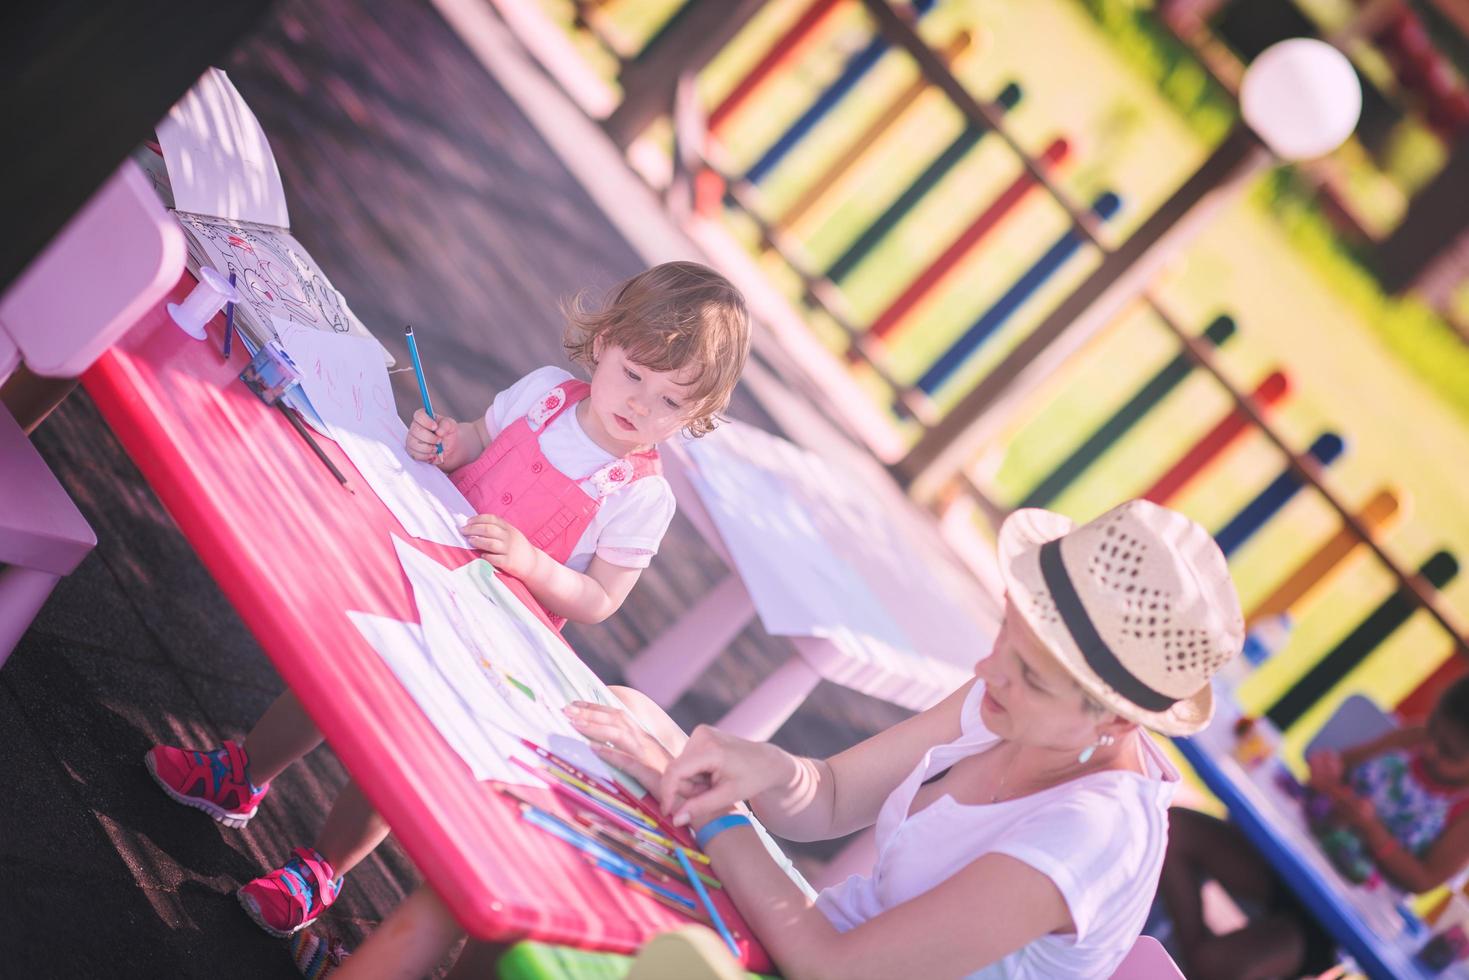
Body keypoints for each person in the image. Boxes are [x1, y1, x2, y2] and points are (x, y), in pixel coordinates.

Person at [330, 498, 1245, 979]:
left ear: (1118, 721)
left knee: (513, 876)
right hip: (792, 946)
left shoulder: (1088, 837)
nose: (992, 668)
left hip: (810, 962)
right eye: (1007, 627)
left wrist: (710, 810)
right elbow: (831, 796)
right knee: (530, 846)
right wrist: (757, 766)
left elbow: (835, 968)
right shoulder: (1013, 697)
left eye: (1032, 672)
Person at [142, 261, 752, 938]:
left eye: (669, 402)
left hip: (489, 631)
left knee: (404, 741)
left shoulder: (641, 496)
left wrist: (532, 564)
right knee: (336, 676)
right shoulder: (546, 394)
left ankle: (320, 868)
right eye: (633, 374)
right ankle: (244, 773)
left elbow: (600, 599)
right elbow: (476, 441)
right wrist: (445, 442)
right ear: (604, 340)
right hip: (419, 560)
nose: (639, 404)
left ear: (697, 415)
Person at [1159, 676, 1469, 980]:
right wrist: (1328, 773)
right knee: (1174, 830)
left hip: (1333, 920)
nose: (1430, 749)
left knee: (1220, 965)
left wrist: (1370, 828)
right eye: (1432, 731)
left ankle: (1195, 963)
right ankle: (1190, 958)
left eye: (1448, 753)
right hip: (1288, 863)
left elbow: (1423, 879)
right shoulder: (1412, 738)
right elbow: (1343, 765)